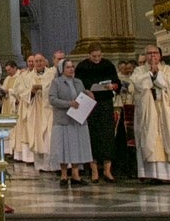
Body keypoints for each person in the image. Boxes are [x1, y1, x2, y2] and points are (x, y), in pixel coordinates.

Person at [132, 46, 170, 182]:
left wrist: (157, 74)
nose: (152, 56)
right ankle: (153, 174)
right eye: (149, 53)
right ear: (145, 56)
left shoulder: (168, 69)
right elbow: (138, 84)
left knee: (169, 137)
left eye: (155, 53)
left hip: (165, 110)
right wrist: (150, 74)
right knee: (151, 138)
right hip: (149, 111)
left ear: (160, 55)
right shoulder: (139, 70)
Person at [75, 44, 120, 182]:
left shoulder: (108, 65)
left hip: (105, 103)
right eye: (94, 56)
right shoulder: (82, 66)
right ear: (89, 55)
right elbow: (77, 84)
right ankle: (94, 171)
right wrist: (86, 90)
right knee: (92, 136)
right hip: (89, 104)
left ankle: (107, 170)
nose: (97, 58)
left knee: (107, 136)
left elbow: (117, 82)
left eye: (99, 56)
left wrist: (113, 86)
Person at [48, 59, 93, 186]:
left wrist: (88, 95)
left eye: (72, 67)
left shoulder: (78, 82)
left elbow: (82, 95)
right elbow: (52, 99)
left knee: (76, 147)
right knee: (63, 147)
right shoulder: (56, 82)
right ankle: (63, 175)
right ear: (62, 69)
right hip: (63, 120)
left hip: (77, 120)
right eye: (68, 67)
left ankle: (75, 174)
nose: (71, 69)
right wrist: (69, 104)